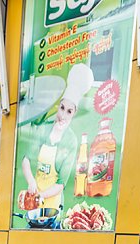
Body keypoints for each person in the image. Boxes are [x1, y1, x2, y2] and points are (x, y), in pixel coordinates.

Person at [21, 64, 94, 227]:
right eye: (62, 108)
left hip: (52, 206)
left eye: (69, 111)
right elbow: (26, 160)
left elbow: (61, 184)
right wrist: (31, 181)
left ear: (73, 114)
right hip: (35, 201)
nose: (63, 115)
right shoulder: (43, 130)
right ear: (58, 107)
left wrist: (42, 196)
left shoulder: (71, 141)